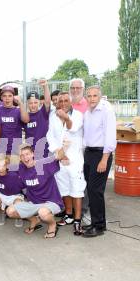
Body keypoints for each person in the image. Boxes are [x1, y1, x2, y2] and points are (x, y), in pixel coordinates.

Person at [46, 92, 86, 235]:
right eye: (60, 101)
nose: (62, 103)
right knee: (64, 188)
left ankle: (77, 220)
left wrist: (66, 117)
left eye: (65, 100)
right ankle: (68, 215)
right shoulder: (52, 116)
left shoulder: (78, 115)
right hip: (60, 159)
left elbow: (72, 127)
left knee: (77, 189)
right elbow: (50, 136)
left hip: (74, 160)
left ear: (71, 102)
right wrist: (59, 154)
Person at [6, 145, 65, 239]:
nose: (25, 158)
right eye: (22, 155)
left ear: (32, 154)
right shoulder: (21, 168)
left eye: (27, 154)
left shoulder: (43, 165)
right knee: (10, 211)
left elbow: (59, 156)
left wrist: (64, 146)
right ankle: (35, 220)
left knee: (43, 212)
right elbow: (5, 164)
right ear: (20, 158)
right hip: (33, 203)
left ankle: (53, 225)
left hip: (51, 202)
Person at [82, 86, 116, 237]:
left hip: (101, 154)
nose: (92, 98)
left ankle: (99, 226)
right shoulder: (88, 111)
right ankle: (95, 222)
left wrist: (104, 159)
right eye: (89, 96)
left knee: (95, 190)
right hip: (89, 153)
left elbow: (110, 135)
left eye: (95, 96)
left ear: (100, 96)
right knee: (91, 189)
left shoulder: (106, 110)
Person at [0, 156, 25, 227]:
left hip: (14, 195)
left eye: (3, 165)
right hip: (1, 194)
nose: (1, 168)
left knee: (19, 203)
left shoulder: (14, 175)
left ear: (7, 166)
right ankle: (2, 213)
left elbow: (24, 186)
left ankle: (18, 217)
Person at [0, 85, 30, 156]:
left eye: (10, 96)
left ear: (13, 97)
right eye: (5, 96)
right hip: (0, 150)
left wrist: (20, 103)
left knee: (14, 167)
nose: (7, 98)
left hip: (15, 149)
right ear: (1, 97)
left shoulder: (18, 110)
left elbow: (26, 120)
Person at [24, 79, 51, 158]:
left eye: (35, 102)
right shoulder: (25, 117)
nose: (33, 105)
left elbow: (47, 102)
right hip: (30, 152)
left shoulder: (43, 113)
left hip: (44, 150)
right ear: (27, 104)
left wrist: (45, 86)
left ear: (39, 102)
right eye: (31, 103)